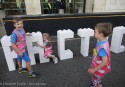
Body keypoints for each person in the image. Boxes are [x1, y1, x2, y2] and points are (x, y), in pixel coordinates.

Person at [88, 23, 112, 87]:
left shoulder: (102, 48)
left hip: (99, 68)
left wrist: (94, 69)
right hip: (97, 64)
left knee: (94, 80)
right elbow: (99, 53)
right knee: (97, 79)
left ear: (101, 34)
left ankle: (95, 85)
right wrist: (95, 53)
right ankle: (98, 84)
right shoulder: (102, 40)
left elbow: (105, 61)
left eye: (95, 32)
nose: (94, 33)